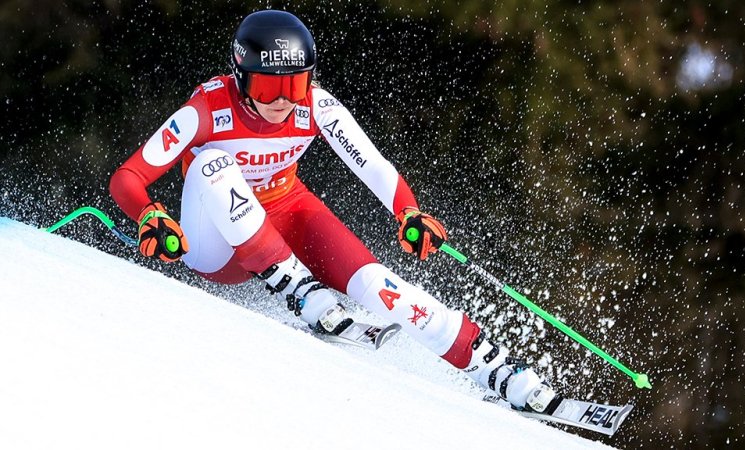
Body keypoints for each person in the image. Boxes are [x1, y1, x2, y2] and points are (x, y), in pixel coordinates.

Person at [109, 9, 561, 414]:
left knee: (381, 285)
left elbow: (373, 166)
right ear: (240, 77)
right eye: (268, 87)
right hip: (217, 246)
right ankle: (303, 292)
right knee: (211, 163)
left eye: (295, 84)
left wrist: (408, 212)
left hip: (287, 215)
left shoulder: (315, 107)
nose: (282, 101)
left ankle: (502, 372)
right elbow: (127, 177)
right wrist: (150, 214)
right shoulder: (208, 108)